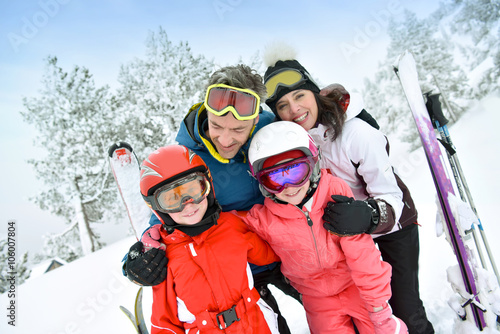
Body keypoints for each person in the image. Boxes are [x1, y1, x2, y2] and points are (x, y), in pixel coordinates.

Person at [262, 50, 434, 334]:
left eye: (299, 96)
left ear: (314, 93)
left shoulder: (357, 135)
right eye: (283, 105)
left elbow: (394, 198)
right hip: (348, 239)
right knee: (366, 313)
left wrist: (367, 214)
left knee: (402, 310)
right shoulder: (296, 145)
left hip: (393, 229)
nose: (293, 109)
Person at [123, 65, 301, 334]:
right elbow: (166, 215)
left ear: (255, 120)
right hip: (238, 268)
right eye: (217, 125)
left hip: (284, 249)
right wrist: (136, 260)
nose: (226, 139)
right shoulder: (188, 161)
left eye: (238, 129)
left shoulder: (268, 127)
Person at [240, 120, 407, 334]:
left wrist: (379, 308)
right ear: (261, 183)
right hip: (316, 299)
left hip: (354, 286)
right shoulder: (264, 219)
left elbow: (363, 255)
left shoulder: (334, 194)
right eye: (274, 179)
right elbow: (232, 231)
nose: (289, 187)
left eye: (296, 171)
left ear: (313, 164)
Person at [140, 144, 281, 333]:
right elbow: (164, 323)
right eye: (172, 199)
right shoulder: (164, 257)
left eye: (193, 190)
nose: (187, 205)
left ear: (207, 186)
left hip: (256, 324)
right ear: (158, 208)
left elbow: (270, 253)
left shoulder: (231, 225)